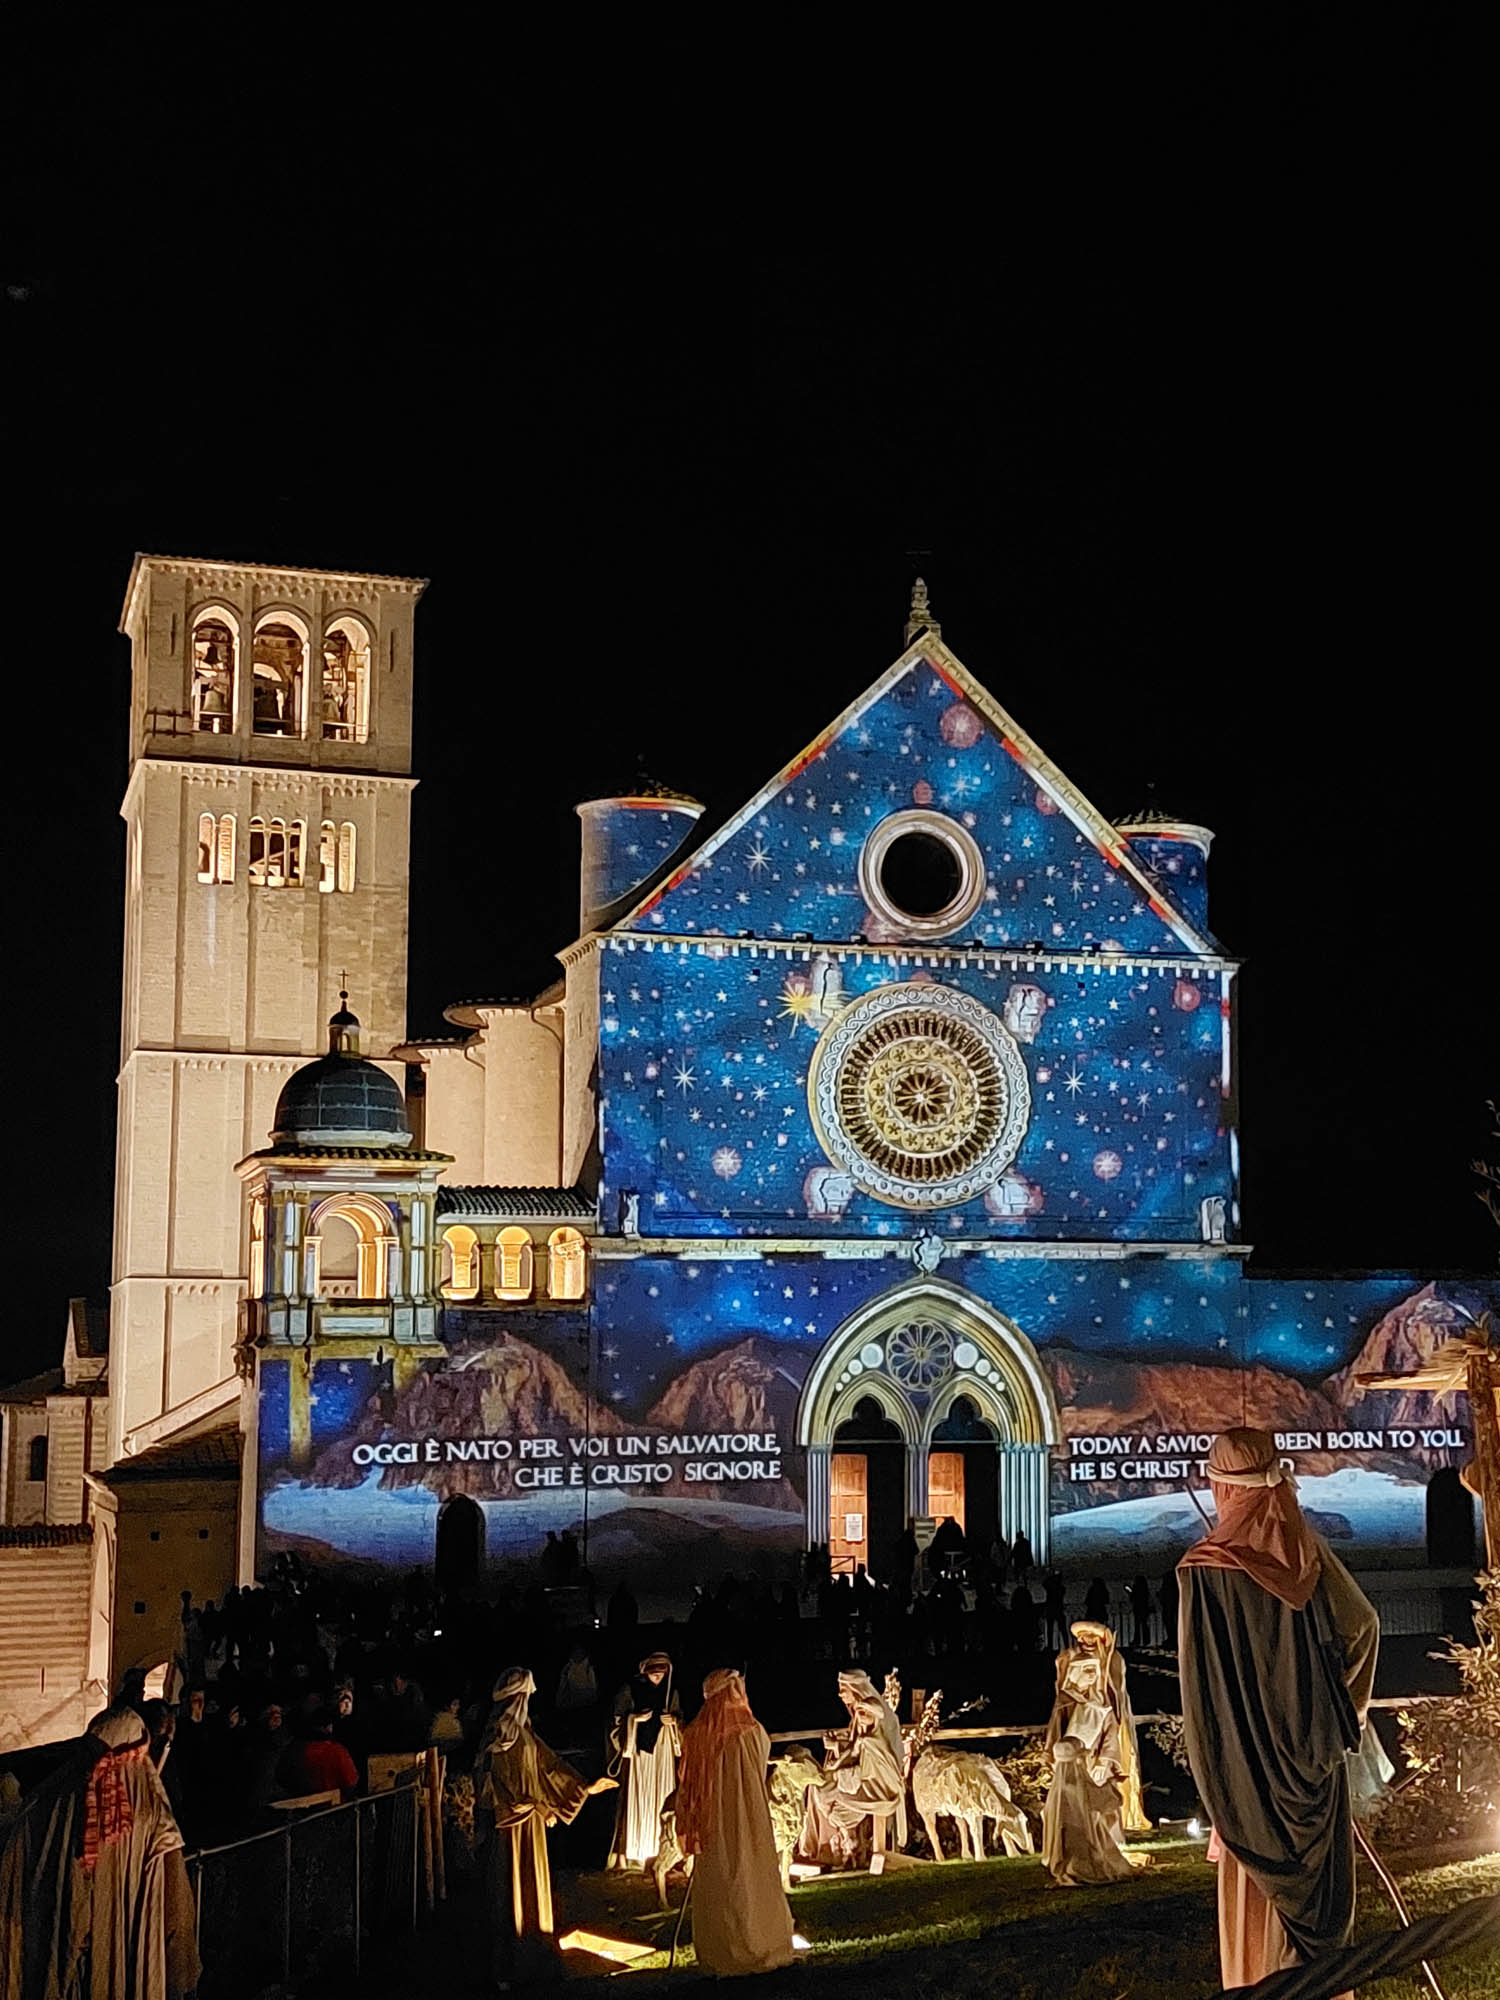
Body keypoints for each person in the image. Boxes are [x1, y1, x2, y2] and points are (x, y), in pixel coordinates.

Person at [1178, 1428, 1378, 1993]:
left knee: (1257, 1895)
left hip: (1247, 1775)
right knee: (1318, 1903)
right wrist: (1342, 1714)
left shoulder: (1204, 1570)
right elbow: (1362, 1627)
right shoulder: (1306, 1552)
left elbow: (1205, 1697)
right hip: (1314, 1767)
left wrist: (1219, 1774)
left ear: (1220, 1487)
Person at [0, 1702, 201, 1999]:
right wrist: (181, 1975)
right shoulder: (153, 1817)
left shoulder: (49, 1807)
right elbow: (176, 1914)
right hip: (118, 1964)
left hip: (64, 1962)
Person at [474, 1668, 614, 1988]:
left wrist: (585, 1788)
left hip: (531, 1825)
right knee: (511, 1887)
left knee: (531, 1888)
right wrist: (537, 1806)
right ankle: (510, 1961)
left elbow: (548, 1767)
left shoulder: (524, 1733)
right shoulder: (500, 1737)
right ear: (517, 1698)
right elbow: (499, 1788)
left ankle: (534, 1953)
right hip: (512, 1827)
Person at [675, 1669, 795, 1977]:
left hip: (715, 1820)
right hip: (748, 1817)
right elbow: (761, 1758)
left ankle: (723, 1950)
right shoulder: (752, 1731)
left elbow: (687, 1781)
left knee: (724, 1876)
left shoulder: (696, 1733)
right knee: (748, 1872)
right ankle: (758, 1944)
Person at [1041, 1621, 1143, 1885]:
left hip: (1095, 1752)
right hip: (1073, 1759)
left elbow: (1110, 1712)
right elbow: (1059, 1723)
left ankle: (1106, 1846)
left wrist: (1106, 1759)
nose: (1086, 1641)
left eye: (1091, 1637)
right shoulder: (1068, 1696)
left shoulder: (1103, 1694)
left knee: (1101, 1804)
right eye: (1082, 1637)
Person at [799, 1669, 907, 1866]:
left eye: (843, 1689)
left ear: (856, 1689)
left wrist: (848, 1756)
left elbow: (880, 1753)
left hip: (877, 1781)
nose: (840, 1694)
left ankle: (840, 1832)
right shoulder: (860, 1715)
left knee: (826, 1787)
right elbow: (855, 1749)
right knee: (822, 1783)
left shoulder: (876, 1718)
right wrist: (837, 1748)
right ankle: (833, 1836)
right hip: (862, 1771)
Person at [608, 1651, 681, 1869]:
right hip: (639, 1749)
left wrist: (674, 1721)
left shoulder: (670, 1693)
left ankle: (661, 1848)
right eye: (654, 1673)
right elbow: (616, 1720)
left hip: (664, 1746)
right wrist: (634, 1720)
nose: (657, 1677)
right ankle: (636, 1850)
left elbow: (679, 1715)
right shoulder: (630, 1690)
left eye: (662, 1673)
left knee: (663, 1792)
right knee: (640, 1794)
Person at [281, 1710, 360, 1800]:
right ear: (328, 1726)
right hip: (333, 1808)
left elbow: (283, 1779)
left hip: (301, 1809)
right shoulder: (337, 1751)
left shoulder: (294, 1749)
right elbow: (350, 1783)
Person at [1129, 1574, 1153, 1648]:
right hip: (1144, 1608)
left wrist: (1130, 1591)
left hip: (1138, 1608)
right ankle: (1146, 1640)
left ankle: (1137, 1640)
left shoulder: (1136, 1588)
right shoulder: (1145, 1589)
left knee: (1138, 1626)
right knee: (1144, 1625)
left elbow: (1132, 1598)